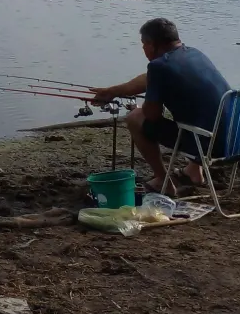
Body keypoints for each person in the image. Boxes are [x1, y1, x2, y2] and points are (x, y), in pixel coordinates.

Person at [90, 18, 232, 194]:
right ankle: (194, 171)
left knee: (135, 119)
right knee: (201, 112)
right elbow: (148, 78)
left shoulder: (158, 67)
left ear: (151, 44)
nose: (143, 49)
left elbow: (151, 116)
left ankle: (163, 181)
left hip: (213, 145)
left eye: (143, 44)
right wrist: (114, 91)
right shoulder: (194, 54)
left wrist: (140, 108)